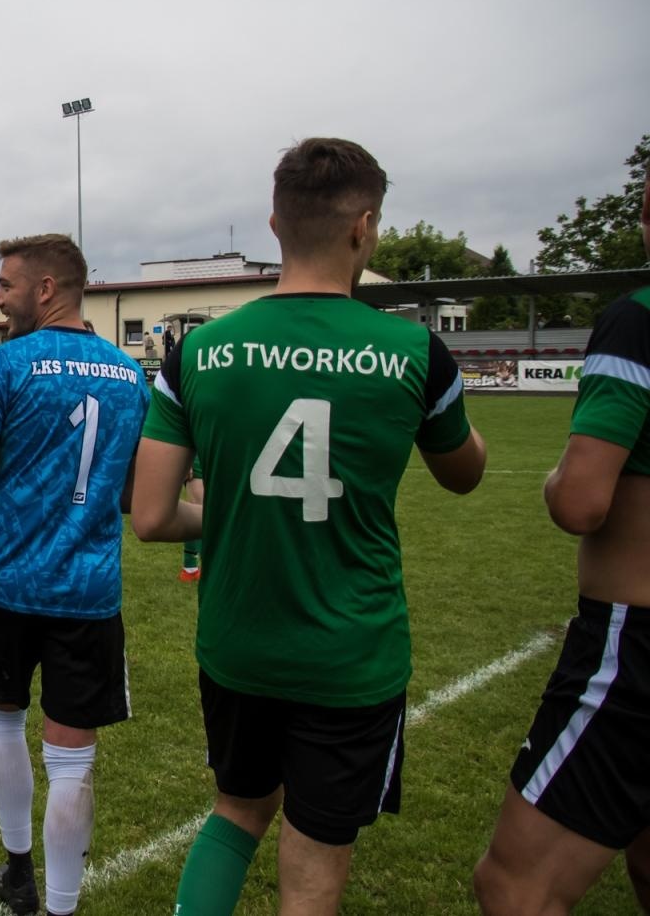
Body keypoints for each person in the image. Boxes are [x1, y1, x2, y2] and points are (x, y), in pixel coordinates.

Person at [131, 138, 487, 916]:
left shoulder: (197, 352)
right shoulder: (416, 352)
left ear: (273, 223)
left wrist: (230, 512)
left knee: (236, 812)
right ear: (364, 228)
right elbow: (466, 473)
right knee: (317, 857)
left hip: (238, 643)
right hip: (351, 653)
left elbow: (152, 515)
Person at [0, 234, 149, 916]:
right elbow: (129, 498)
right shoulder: (129, 373)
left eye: (5, 285)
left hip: (6, 584)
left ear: (47, 289)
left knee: (3, 725)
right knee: (71, 762)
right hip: (88, 593)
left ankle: (19, 872)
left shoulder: (4, 365)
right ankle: (58, 907)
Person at [473, 181, 650, 915]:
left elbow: (581, 500)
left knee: (515, 885)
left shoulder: (637, 323)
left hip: (635, 640)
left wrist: (554, 478)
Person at [180, 460, 203, 583]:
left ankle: (191, 569)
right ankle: (190, 568)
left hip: (215, 452)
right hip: (196, 457)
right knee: (199, 509)